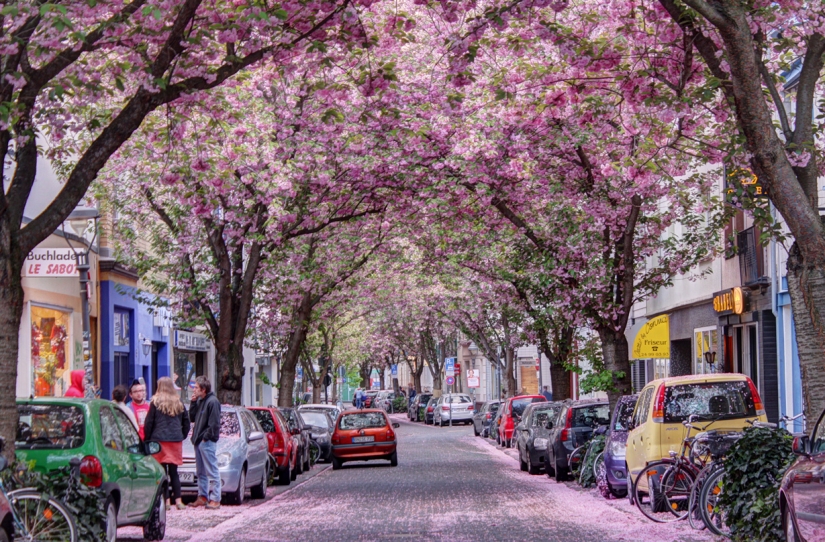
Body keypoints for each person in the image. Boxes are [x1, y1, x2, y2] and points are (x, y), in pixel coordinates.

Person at [144, 377, 191, 510]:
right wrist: (182, 435)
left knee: (162, 472)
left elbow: (149, 422)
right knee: (174, 472)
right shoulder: (178, 402)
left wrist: (147, 439)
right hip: (175, 440)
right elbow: (186, 422)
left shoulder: (155, 402)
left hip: (159, 440)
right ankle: (179, 500)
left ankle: (166, 501)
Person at [188, 376, 222, 510]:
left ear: (203, 389)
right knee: (201, 471)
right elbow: (192, 418)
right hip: (198, 440)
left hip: (206, 441)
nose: (194, 389)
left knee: (212, 470)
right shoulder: (201, 401)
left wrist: (205, 438)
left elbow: (214, 423)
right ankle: (202, 496)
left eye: (196, 387)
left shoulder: (212, 402)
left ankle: (215, 498)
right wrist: (193, 403)